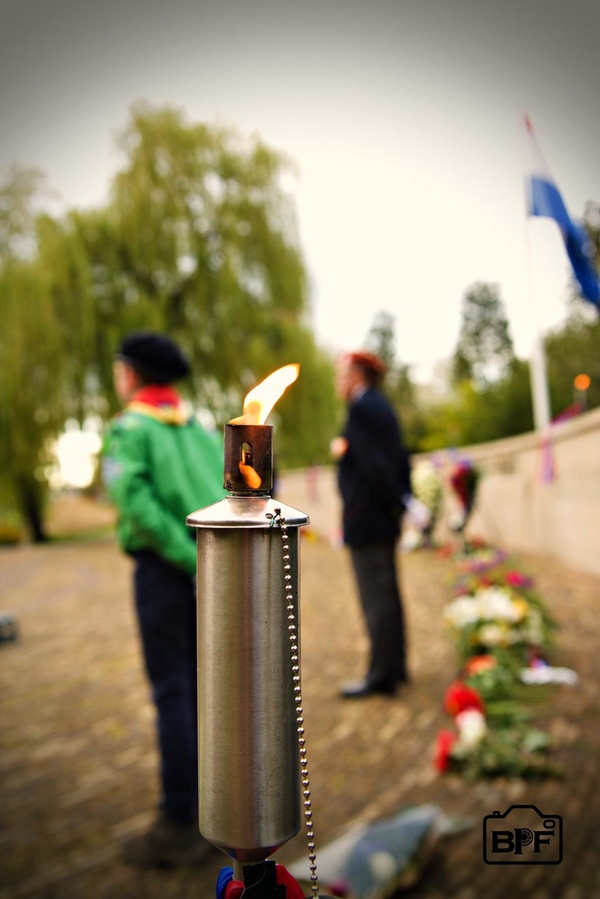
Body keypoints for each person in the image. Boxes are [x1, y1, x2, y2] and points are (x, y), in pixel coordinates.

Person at [102, 331, 225, 866]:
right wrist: (204, 562)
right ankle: (216, 805)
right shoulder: (197, 428)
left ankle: (180, 819)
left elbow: (136, 503)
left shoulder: (129, 428)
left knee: (173, 693)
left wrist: (182, 555)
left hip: (164, 571)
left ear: (130, 374)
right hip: (206, 568)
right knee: (200, 690)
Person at [331, 351, 412, 699]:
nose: (338, 382)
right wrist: (401, 501)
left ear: (356, 377)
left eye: (341, 375)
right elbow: (399, 458)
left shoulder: (362, 409)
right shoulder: (382, 406)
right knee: (388, 594)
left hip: (368, 518)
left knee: (376, 599)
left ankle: (381, 675)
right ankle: (396, 666)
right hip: (384, 517)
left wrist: (343, 454)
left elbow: (373, 466)